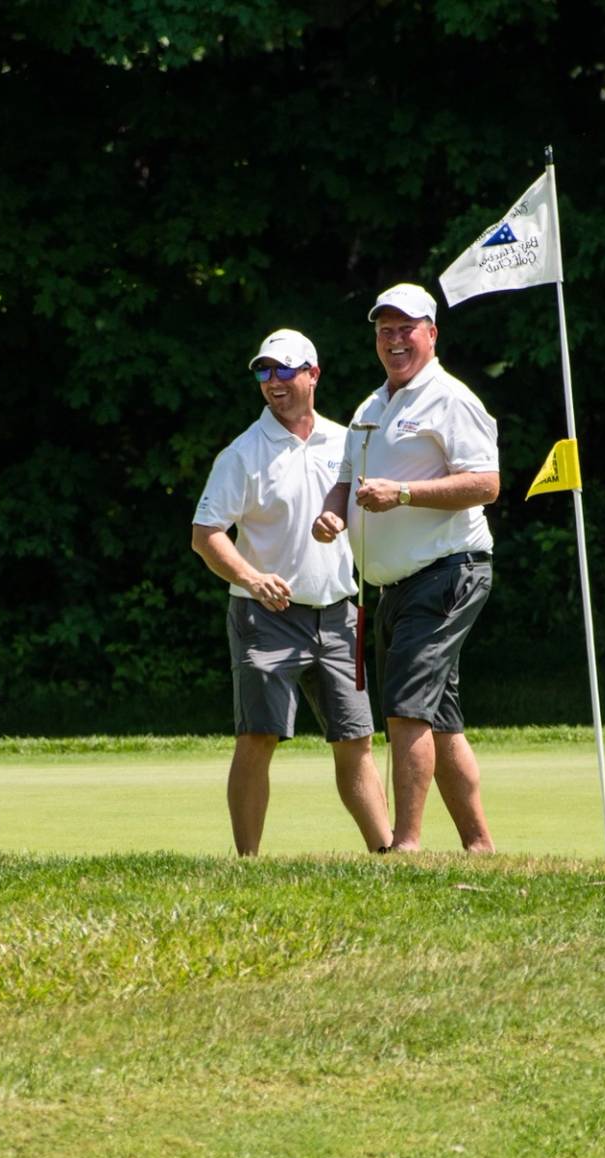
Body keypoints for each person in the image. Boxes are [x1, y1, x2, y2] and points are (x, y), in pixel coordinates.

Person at [191, 328, 393, 857]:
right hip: (266, 616)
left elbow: (365, 505)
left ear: (313, 373)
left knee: (357, 741)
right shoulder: (243, 454)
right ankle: (249, 864)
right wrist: (251, 578)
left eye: (284, 370)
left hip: (339, 614)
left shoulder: (345, 440)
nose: (273, 382)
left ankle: (387, 855)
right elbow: (206, 534)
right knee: (258, 737)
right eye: (264, 372)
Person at [312, 283, 499, 853]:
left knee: (405, 708)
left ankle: (407, 847)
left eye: (406, 329)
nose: (395, 340)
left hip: (447, 571)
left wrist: (405, 494)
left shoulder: (451, 399)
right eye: (385, 331)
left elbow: (485, 484)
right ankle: (480, 846)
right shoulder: (371, 406)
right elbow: (345, 480)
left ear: (431, 334)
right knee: (439, 718)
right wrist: (331, 515)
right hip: (392, 585)